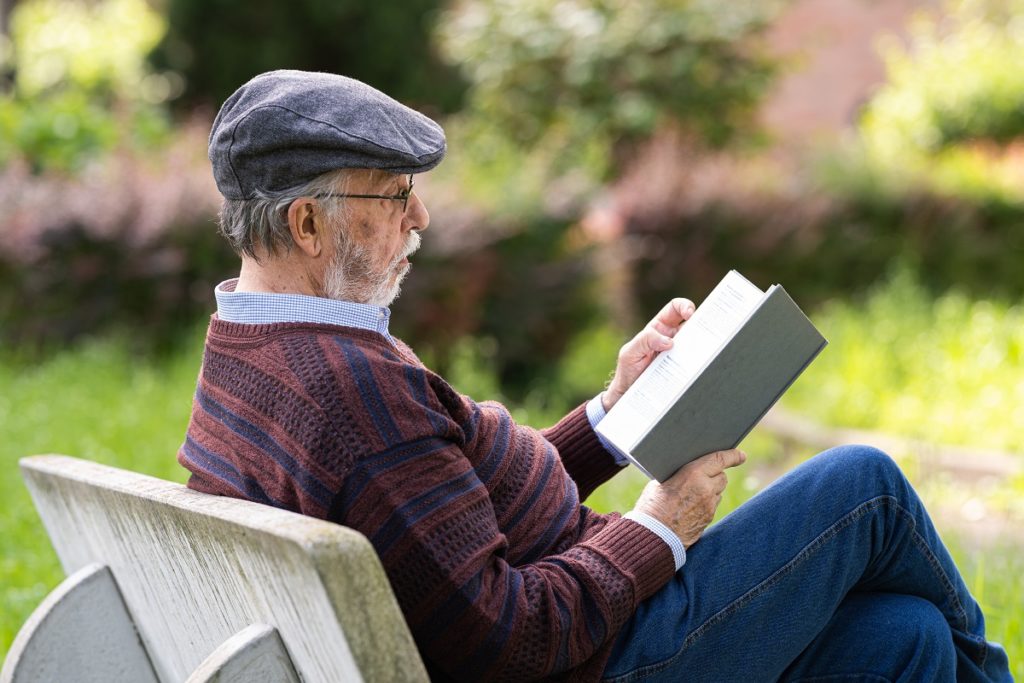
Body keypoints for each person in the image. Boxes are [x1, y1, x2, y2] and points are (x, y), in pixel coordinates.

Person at [179, 70, 1012, 682]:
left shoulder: (253, 351)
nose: (420, 215)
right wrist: (658, 526)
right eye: (395, 192)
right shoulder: (351, 390)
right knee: (861, 485)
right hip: (601, 656)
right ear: (305, 223)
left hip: (594, 634)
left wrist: (614, 413)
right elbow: (508, 637)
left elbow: (444, 509)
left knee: (905, 639)